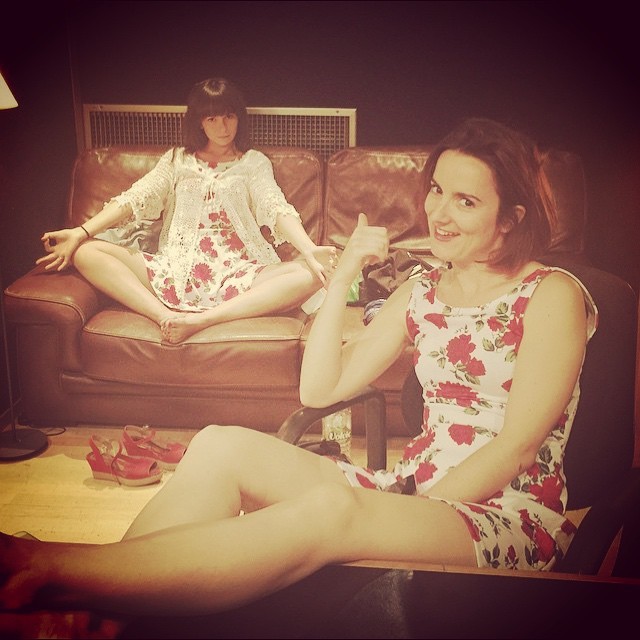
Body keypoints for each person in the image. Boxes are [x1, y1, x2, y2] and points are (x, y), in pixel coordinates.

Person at [0, 118, 596, 617]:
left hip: (505, 516)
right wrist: (343, 274)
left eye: (466, 201)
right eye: (437, 189)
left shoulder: (553, 293)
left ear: (511, 217)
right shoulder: (422, 289)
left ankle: (57, 568)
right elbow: (320, 388)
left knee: (329, 510)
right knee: (222, 445)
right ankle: (98, 614)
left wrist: (407, 509)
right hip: (413, 489)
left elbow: (517, 449)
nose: (439, 212)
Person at [36, 78, 336, 344]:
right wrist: (81, 232)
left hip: (238, 275)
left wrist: (309, 249)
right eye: (212, 118)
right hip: (175, 271)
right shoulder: (177, 160)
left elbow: (274, 205)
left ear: (239, 118)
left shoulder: (253, 162)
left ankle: (203, 320)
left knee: (312, 274)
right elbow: (135, 198)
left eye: (229, 116)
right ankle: (163, 316)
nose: (223, 127)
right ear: (199, 122)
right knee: (86, 251)